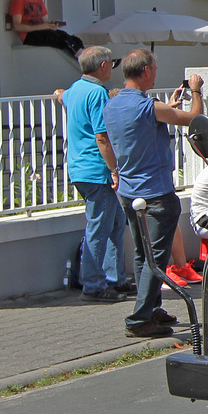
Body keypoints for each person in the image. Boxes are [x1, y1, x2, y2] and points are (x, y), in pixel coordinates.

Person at [103, 49, 204, 337]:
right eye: (155, 69)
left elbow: (112, 137)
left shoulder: (113, 104)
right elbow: (194, 118)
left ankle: (151, 309)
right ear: (146, 71)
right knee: (156, 257)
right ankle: (138, 319)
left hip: (128, 190)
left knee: (141, 253)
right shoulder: (150, 107)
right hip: (156, 192)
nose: (157, 73)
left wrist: (115, 169)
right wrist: (195, 90)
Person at [61, 46, 131, 301]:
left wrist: (58, 94)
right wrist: (114, 169)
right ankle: (93, 285)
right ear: (103, 66)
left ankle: (114, 279)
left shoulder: (75, 89)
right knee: (100, 227)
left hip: (80, 168)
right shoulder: (97, 93)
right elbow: (102, 136)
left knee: (114, 223)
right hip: (96, 170)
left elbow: (63, 96)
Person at [8, 0, 83, 59]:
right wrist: (42, 27)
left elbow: (45, 21)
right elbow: (17, 26)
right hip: (30, 36)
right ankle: (82, 59)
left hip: (43, 32)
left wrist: (51, 26)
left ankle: (86, 58)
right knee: (62, 38)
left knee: (75, 40)